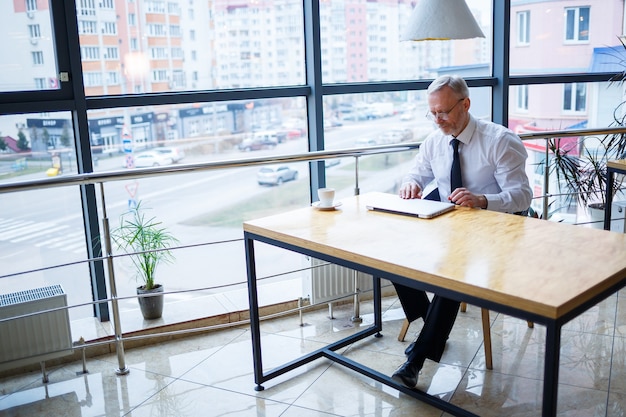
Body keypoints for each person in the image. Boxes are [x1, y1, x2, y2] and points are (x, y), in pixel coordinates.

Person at [391, 75, 533, 388]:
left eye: (443, 112)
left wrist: (483, 200)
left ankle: (416, 359)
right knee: (391, 254)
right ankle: (432, 326)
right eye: (432, 113)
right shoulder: (434, 141)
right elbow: (416, 172)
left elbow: (523, 196)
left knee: (454, 274)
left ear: (465, 104)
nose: (437, 120)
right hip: (451, 228)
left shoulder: (500, 140)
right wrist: (410, 183)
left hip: (497, 230)